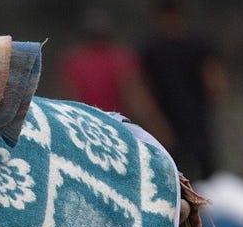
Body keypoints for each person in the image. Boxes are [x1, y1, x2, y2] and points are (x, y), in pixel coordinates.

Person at [56, 8, 174, 148]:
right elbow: (137, 102)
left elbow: (69, 102)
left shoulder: (72, 61)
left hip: (84, 130)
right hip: (117, 131)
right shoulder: (122, 59)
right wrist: (158, 130)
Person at [139, 0, 226, 181]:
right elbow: (215, 83)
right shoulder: (198, 44)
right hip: (190, 123)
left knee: (169, 179)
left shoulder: (152, 48)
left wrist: (153, 121)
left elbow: (144, 89)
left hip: (170, 125)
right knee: (205, 179)